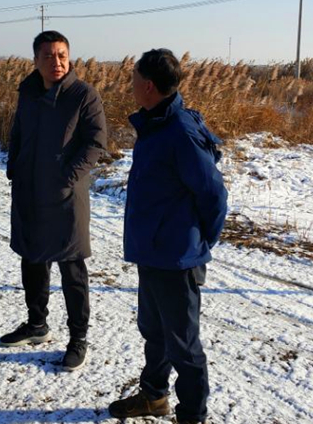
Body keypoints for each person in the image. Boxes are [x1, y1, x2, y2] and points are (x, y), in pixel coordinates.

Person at [108, 49, 228, 424]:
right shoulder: (156, 124)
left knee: (183, 345)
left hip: (176, 258)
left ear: (147, 85)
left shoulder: (179, 131)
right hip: (153, 252)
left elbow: (214, 194)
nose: (130, 85)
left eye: (133, 78)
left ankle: (192, 415)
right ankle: (154, 396)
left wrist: (200, 242)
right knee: (155, 332)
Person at [0, 31, 107, 372]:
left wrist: (66, 178)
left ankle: (78, 337)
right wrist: (14, 164)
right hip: (29, 191)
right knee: (32, 259)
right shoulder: (28, 92)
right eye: (48, 56)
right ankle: (37, 325)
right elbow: (18, 132)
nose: (56, 62)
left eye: (61, 55)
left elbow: (95, 143)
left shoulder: (83, 95)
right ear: (36, 60)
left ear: (69, 57)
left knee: (71, 267)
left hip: (65, 196)